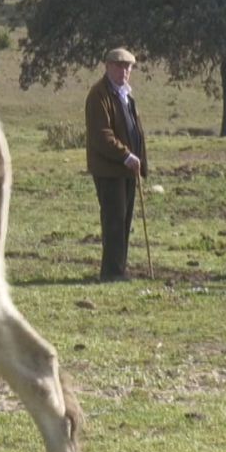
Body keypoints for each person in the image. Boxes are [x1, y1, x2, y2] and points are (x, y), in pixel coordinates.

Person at [86, 47, 147, 281]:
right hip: (109, 170)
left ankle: (119, 268)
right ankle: (111, 272)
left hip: (127, 170)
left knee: (124, 220)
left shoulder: (126, 95)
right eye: (119, 66)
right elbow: (102, 136)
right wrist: (126, 155)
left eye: (128, 67)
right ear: (108, 66)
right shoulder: (98, 95)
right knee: (114, 219)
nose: (124, 71)